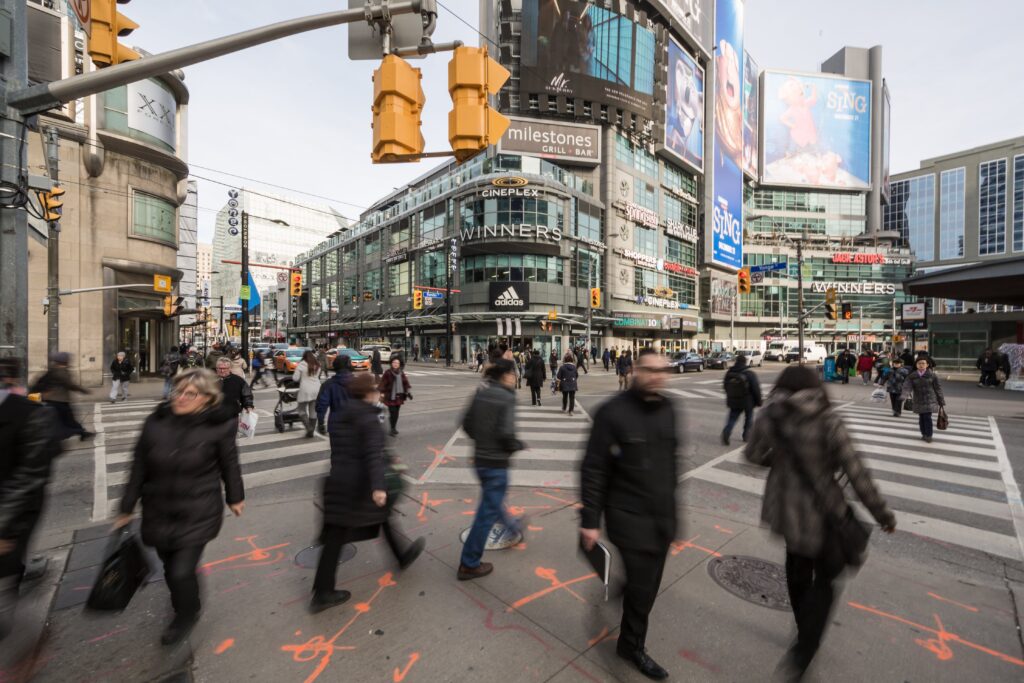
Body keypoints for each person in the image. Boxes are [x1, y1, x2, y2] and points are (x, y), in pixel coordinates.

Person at [743, 364, 895, 678]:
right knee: (825, 582)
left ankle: (803, 631)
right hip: (824, 512)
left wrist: (780, 460)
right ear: (815, 387)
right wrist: (883, 514)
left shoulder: (769, 415)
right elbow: (857, 473)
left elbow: (753, 456)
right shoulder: (827, 419)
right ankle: (804, 649)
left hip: (786, 510)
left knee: (797, 571)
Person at [115, 368, 244, 645]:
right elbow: (138, 465)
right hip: (158, 508)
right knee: (169, 565)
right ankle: (183, 597)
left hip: (199, 509)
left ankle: (187, 612)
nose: (181, 397)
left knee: (181, 570)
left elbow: (229, 464)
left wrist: (235, 496)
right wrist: (126, 506)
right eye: (178, 391)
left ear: (207, 399)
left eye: (190, 394)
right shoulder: (156, 421)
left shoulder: (219, 426)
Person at [580, 349, 679, 680]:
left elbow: (671, 466)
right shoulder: (613, 413)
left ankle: (628, 600)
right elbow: (594, 469)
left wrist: (674, 517)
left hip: (661, 518)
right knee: (642, 589)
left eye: (661, 370)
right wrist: (591, 521)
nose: (656, 376)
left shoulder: (668, 409)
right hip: (628, 516)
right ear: (635, 369)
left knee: (647, 586)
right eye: (649, 370)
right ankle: (632, 646)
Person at [312, 373, 425, 612]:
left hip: (339, 480)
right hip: (358, 485)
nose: (379, 393)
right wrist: (378, 487)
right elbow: (373, 454)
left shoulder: (343, 411)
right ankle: (322, 593)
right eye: (375, 390)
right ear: (367, 393)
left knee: (378, 519)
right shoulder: (368, 417)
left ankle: (402, 556)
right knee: (339, 536)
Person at [0, 358, 62, 641]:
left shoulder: (29, 413)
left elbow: (31, 474)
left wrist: (4, 527)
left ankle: (30, 642)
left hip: (13, 517)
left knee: (6, 585)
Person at [457, 360, 525, 580]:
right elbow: (506, 433)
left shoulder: (481, 392)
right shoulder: (507, 397)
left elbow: (466, 423)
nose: (515, 377)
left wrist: (483, 440)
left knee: (491, 501)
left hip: (479, 459)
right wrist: (516, 445)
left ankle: (512, 526)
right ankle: (469, 563)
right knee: (486, 514)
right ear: (505, 376)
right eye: (513, 374)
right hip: (496, 463)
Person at [30, 352, 92, 440]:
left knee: (62, 420)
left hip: (51, 400)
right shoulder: (61, 371)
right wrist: (84, 390)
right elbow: (70, 385)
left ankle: (81, 432)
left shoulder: (52, 370)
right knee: (68, 420)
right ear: (64, 361)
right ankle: (80, 432)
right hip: (60, 400)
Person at [721, 355, 763, 446]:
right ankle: (746, 435)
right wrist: (759, 401)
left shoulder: (729, 373)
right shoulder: (749, 373)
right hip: (748, 401)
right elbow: (756, 389)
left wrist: (731, 395)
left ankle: (727, 431)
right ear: (745, 362)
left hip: (734, 400)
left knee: (732, 418)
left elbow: (725, 386)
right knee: (748, 419)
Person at [902, 358, 945, 443]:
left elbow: (938, 388)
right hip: (918, 399)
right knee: (921, 417)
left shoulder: (932, 375)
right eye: (919, 363)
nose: (921, 365)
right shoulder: (912, 376)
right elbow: (907, 386)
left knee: (927, 417)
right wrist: (904, 395)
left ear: (927, 365)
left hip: (930, 399)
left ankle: (929, 435)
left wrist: (941, 400)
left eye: (923, 363)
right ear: (916, 365)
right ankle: (923, 434)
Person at [317, 355, 353, 435]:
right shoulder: (359, 383)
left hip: (336, 425)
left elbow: (321, 405)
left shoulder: (328, 385)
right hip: (355, 424)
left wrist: (321, 423)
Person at [292, 350, 322, 438]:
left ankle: (308, 428)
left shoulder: (301, 365)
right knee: (313, 410)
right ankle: (311, 431)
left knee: (301, 410)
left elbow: (295, 378)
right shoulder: (317, 365)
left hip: (305, 389)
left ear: (304, 357)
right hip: (317, 388)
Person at [379, 357, 411, 437]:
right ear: (391, 363)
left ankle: (394, 427)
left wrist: (408, 392)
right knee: (392, 413)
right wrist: (382, 392)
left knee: (396, 414)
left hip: (399, 396)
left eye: (397, 363)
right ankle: (392, 429)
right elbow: (383, 383)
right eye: (394, 362)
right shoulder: (388, 372)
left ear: (399, 365)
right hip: (390, 396)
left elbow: (405, 383)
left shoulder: (401, 372)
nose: (396, 364)